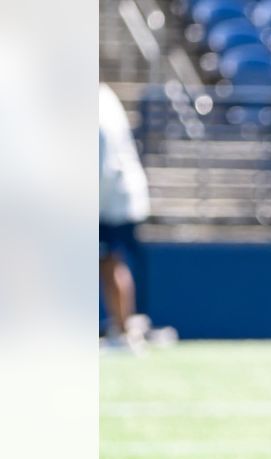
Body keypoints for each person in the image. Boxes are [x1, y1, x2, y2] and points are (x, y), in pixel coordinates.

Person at [99, 83, 151, 353]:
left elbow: (102, 164)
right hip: (114, 196)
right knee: (108, 263)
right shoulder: (105, 98)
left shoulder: (99, 105)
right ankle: (121, 328)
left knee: (109, 263)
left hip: (111, 200)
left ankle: (123, 330)